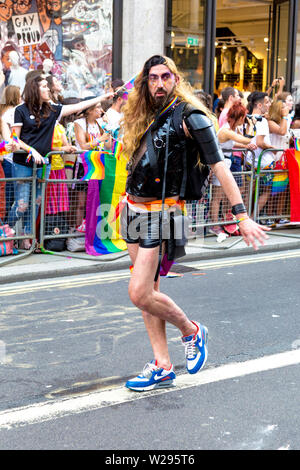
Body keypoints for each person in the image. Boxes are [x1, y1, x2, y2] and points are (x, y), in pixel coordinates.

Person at [120, 55, 270, 392]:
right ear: (146, 81)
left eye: (165, 76)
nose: (159, 83)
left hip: (163, 213)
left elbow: (219, 167)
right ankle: (162, 365)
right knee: (149, 295)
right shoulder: (147, 113)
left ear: (176, 78)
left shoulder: (192, 116)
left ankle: (192, 331)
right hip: (132, 210)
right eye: (152, 78)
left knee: (139, 292)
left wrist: (241, 215)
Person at [9, 74, 113, 248]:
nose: (48, 89)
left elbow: (78, 106)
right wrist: (31, 150)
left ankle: (26, 238)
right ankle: (6, 232)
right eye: (43, 86)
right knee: (22, 203)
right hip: (23, 163)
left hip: (44, 164)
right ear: (34, 89)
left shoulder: (52, 109)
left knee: (36, 202)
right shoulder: (20, 109)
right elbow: (14, 139)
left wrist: (102, 97)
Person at [210, 102, 257, 236]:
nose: (245, 119)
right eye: (244, 117)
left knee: (224, 195)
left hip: (226, 162)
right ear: (240, 117)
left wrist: (246, 146)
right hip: (220, 163)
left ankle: (224, 221)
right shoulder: (226, 130)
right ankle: (214, 225)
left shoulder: (230, 130)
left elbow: (232, 142)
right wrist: (252, 125)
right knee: (217, 197)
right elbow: (246, 140)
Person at [74, 99, 111, 227]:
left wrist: (108, 127)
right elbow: (83, 145)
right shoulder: (79, 123)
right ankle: (78, 228)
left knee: (96, 201)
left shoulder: (100, 123)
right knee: (81, 202)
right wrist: (99, 139)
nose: (101, 110)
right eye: (98, 107)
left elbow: (108, 144)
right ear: (89, 110)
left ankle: (92, 229)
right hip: (83, 165)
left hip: (98, 165)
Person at [245, 91, 276, 220]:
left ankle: (245, 218)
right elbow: (260, 142)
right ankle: (251, 218)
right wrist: (273, 148)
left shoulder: (246, 117)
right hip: (264, 162)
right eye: (267, 102)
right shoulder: (261, 120)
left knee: (250, 190)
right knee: (266, 191)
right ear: (259, 105)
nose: (269, 104)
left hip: (250, 160)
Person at [0, 85, 22, 220]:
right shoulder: (10, 113)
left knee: (5, 198)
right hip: (8, 160)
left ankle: (5, 230)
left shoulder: (2, 117)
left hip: (6, 160)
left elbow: (9, 141)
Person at [267, 99, 291, 225]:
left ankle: (279, 215)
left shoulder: (284, 121)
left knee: (282, 189)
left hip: (284, 159)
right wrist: (285, 117)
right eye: (284, 107)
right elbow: (281, 131)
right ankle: (270, 215)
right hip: (275, 160)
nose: (286, 108)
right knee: (273, 190)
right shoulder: (270, 122)